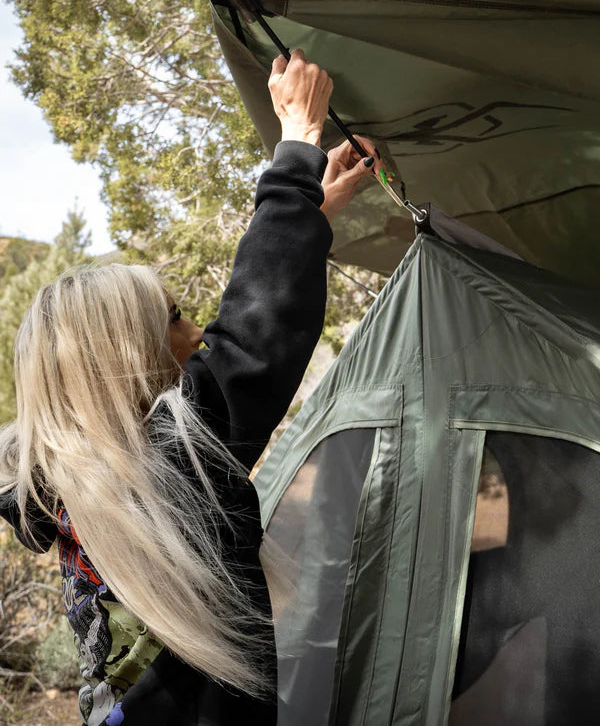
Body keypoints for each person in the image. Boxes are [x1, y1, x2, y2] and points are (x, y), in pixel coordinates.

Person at [0, 50, 375, 726]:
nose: (196, 331)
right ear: (125, 353)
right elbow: (255, 333)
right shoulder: (168, 465)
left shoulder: (63, 481)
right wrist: (296, 143)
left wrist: (312, 210)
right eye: (172, 317)